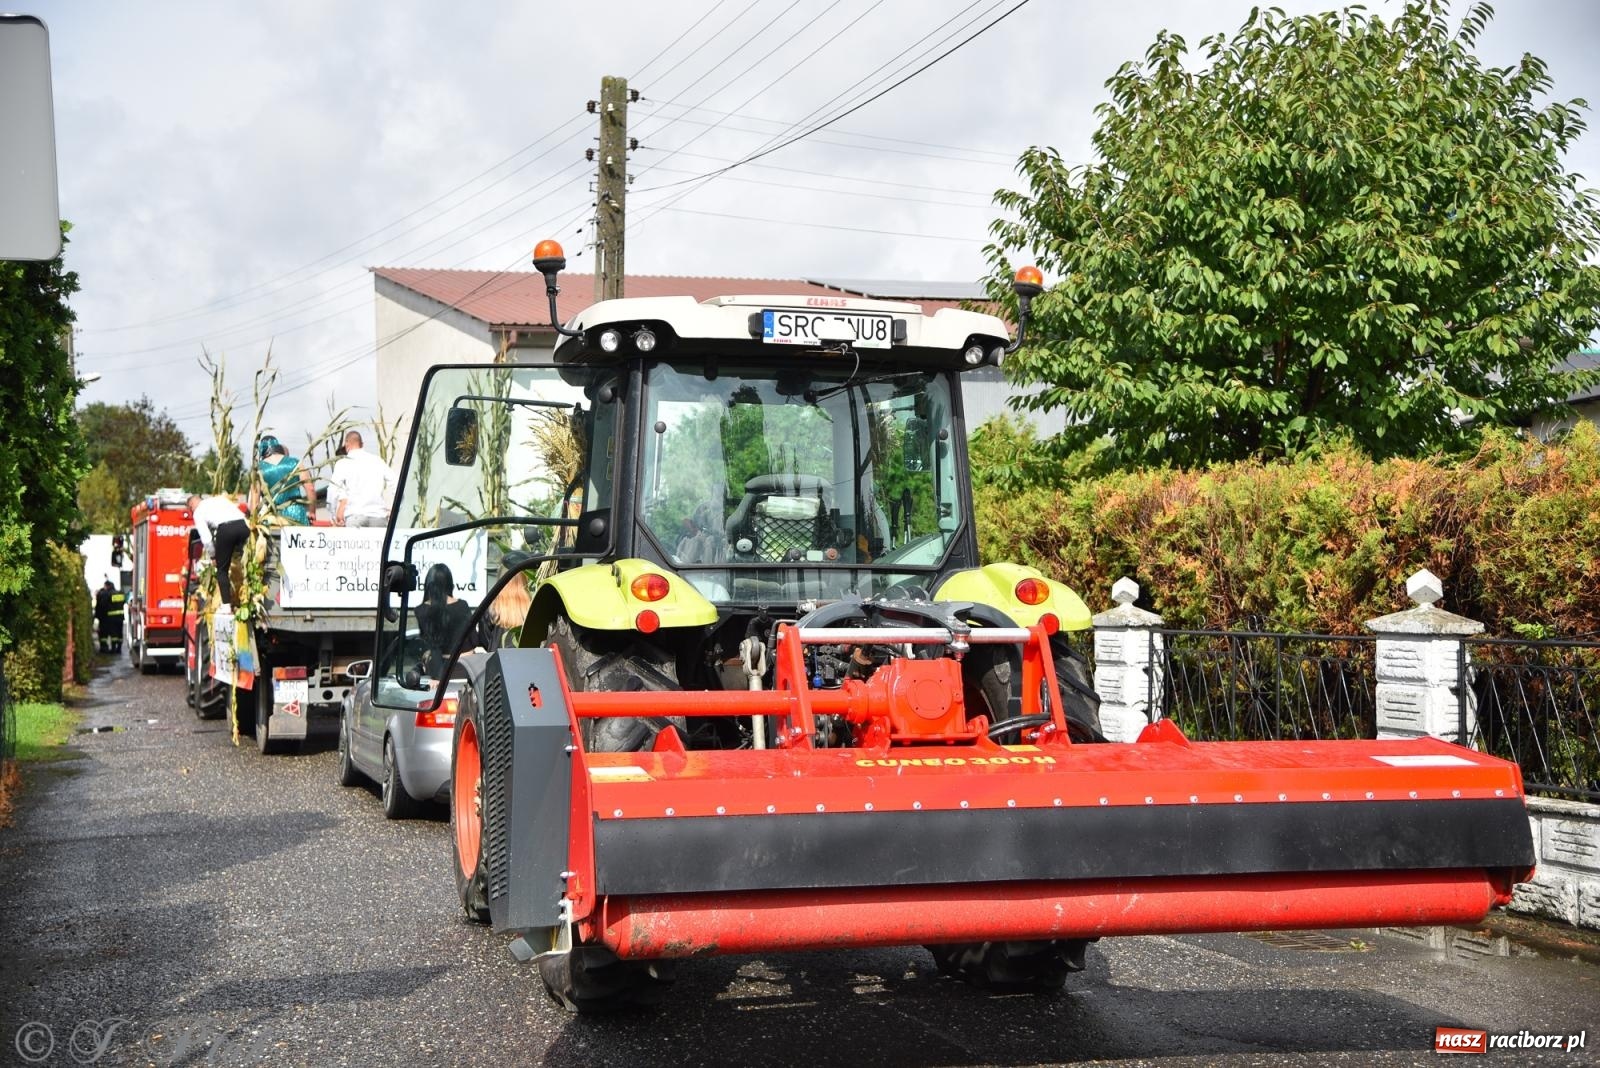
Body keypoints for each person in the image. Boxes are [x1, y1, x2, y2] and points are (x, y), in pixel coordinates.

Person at [414, 563, 478, 679]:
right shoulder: (462, 606)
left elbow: (433, 646)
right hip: (467, 667)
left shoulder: (421, 610)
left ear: (428, 584)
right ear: (449, 583)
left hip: (439, 671)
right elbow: (474, 640)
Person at [188, 493, 249, 606]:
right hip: (244, 527)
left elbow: (206, 538)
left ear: (192, 504)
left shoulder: (198, 512)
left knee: (222, 569)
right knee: (245, 562)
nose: (192, 512)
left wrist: (213, 556)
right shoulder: (220, 499)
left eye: (190, 509)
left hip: (226, 530)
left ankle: (226, 606)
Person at [330, 430, 394, 528]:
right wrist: (397, 509)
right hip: (378, 516)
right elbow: (396, 483)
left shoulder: (342, 463)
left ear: (346, 444)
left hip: (355, 517)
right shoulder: (377, 460)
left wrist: (333, 515)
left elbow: (333, 490)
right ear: (362, 444)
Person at [249, 435, 315, 525]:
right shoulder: (295, 463)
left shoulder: (258, 469)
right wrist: (312, 512)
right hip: (297, 516)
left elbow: (255, 502)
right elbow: (310, 488)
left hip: (273, 519)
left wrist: (253, 522)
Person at [482, 574, 532, 649]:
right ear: (525, 581)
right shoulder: (531, 604)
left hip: (497, 653)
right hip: (525, 653)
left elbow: (484, 638)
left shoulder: (492, 606)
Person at [94, 580, 116, 654]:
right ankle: (113, 648)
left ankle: (104, 648)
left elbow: (99, 606)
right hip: (110, 618)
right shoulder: (112, 593)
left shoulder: (102, 594)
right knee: (112, 633)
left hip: (103, 618)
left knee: (103, 634)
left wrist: (97, 616)